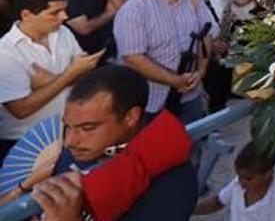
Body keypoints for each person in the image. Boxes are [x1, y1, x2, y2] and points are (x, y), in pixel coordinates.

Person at [35, 65, 198, 220]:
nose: (69, 142)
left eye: (87, 128)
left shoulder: (173, 185)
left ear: (131, 117)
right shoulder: (86, 147)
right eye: (68, 127)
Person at [0, 0, 101, 162]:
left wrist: (52, 81)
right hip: (27, 143)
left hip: (68, 133)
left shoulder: (63, 33)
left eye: (64, 10)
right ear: (26, 15)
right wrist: (68, 76)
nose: (64, 17)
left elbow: (85, 75)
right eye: (55, 13)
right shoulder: (5, 53)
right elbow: (21, 109)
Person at [114, 0, 214, 123]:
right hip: (150, 101)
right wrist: (175, 80)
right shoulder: (135, 9)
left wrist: (201, 71)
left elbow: (206, 35)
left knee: (191, 142)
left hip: (190, 96)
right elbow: (132, 57)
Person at [194, 142, 275, 220]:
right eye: (239, 176)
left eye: (248, 179)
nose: (241, 182)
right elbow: (218, 202)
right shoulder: (237, 183)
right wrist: (189, 210)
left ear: (267, 174)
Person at [190, 0, 234, 113]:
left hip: (222, 43)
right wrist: (211, 44)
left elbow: (223, 14)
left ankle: (218, 109)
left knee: (221, 88)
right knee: (207, 89)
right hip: (202, 49)